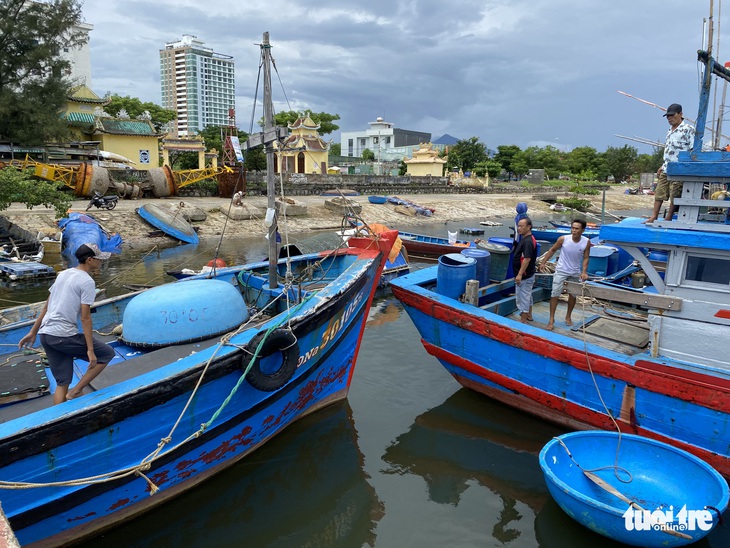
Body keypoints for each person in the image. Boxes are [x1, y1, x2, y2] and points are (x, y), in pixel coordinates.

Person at [18, 243, 116, 404]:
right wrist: (90, 350)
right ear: (90, 260)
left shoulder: (63, 274)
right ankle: (76, 392)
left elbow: (46, 305)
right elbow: (85, 318)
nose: (102, 262)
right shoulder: (87, 282)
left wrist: (34, 332)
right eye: (100, 259)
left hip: (46, 335)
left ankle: (59, 420)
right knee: (106, 354)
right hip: (63, 336)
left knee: (62, 383)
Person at [538, 219, 591, 330]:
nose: (574, 231)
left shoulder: (586, 242)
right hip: (561, 270)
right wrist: (543, 262)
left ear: (582, 230)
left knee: (573, 295)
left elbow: (586, 257)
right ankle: (551, 319)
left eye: (577, 228)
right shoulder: (563, 239)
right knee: (555, 294)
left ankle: (568, 316)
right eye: (573, 228)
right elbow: (552, 250)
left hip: (575, 271)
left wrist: (584, 272)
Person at [645, 103, 695, 223]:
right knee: (659, 192)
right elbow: (669, 151)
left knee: (675, 193)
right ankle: (654, 216)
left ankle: (669, 217)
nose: (669, 118)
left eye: (672, 115)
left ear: (680, 114)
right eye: (667, 116)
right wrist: (662, 165)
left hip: (679, 168)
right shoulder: (670, 130)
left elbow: (693, 149)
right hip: (667, 166)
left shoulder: (688, 129)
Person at [513, 217, 537, 323]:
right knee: (527, 294)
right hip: (527, 274)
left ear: (529, 227)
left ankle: (523, 319)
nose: (519, 228)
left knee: (523, 296)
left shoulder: (528, 241)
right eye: (518, 226)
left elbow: (527, 258)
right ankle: (529, 315)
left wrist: (520, 274)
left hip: (525, 275)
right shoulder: (525, 239)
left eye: (522, 226)